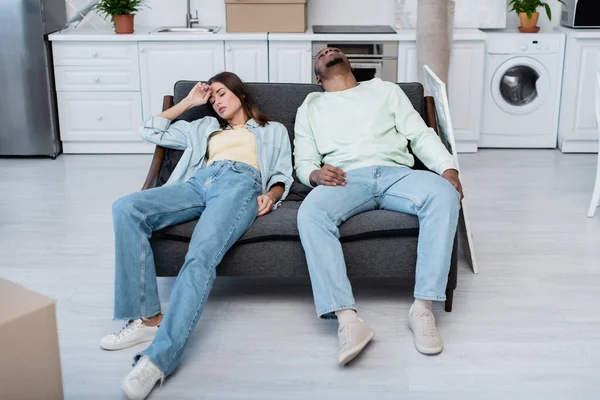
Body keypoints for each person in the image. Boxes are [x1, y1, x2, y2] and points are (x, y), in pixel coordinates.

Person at [100, 72, 293, 399]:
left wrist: (272, 196)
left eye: (222, 93)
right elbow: (149, 130)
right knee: (126, 208)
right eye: (212, 97)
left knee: (200, 256)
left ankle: (157, 360)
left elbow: (282, 173)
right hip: (196, 183)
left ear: (239, 93)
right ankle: (149, 320)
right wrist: (189, 102)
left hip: (240, 184)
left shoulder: (272, 131)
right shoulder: (203, 128)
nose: (217, 101)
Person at [294, 48, 463, 366]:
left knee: (444, 195)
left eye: (335, 50)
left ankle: (423, 309)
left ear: (351, 64)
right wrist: (315, 174)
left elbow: (420, 134)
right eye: (322, 53)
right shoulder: (311, 106)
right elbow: (304, 160)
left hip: (397, 174)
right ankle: (348, 320)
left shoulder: (385, 90)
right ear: (318, 76)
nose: (329, 51)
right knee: (311, 213)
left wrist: (447, 168)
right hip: (345, 180)